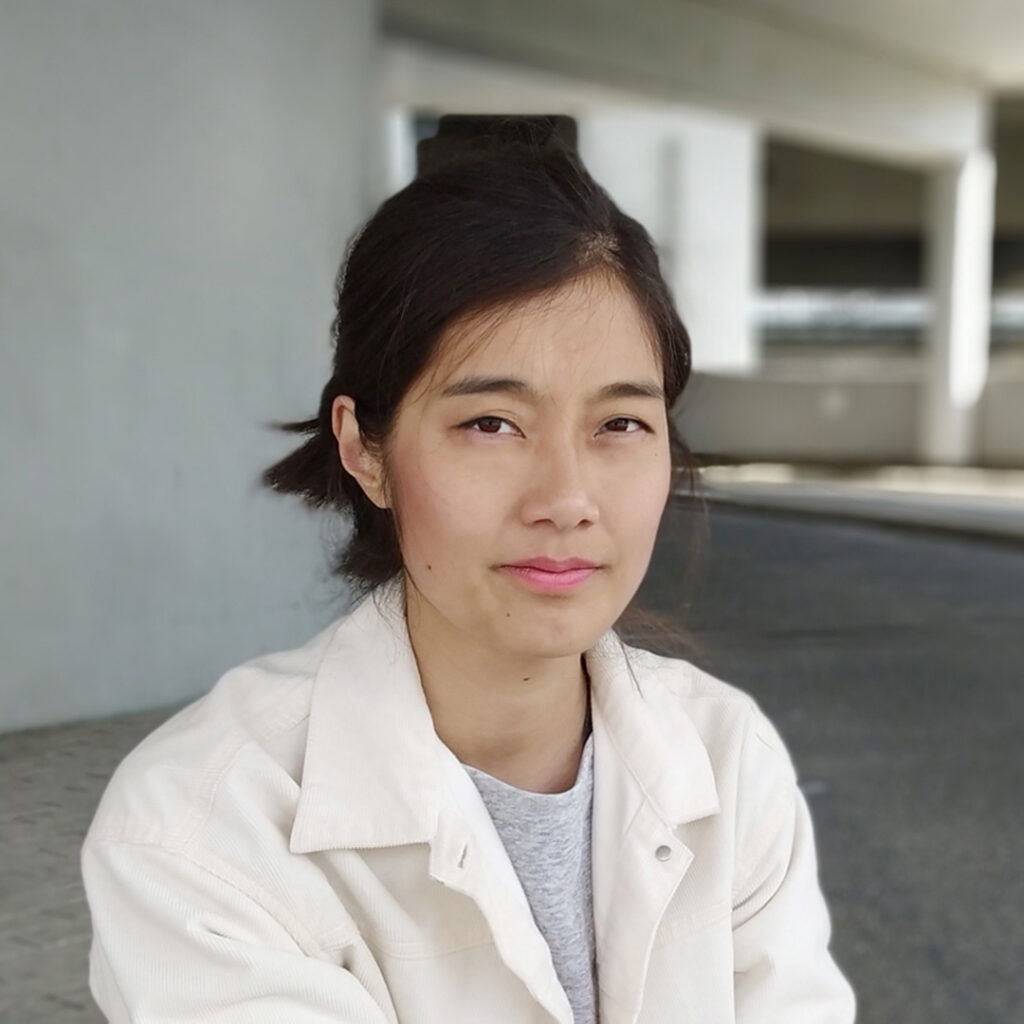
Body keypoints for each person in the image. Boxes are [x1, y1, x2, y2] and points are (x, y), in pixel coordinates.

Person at [81, 132, 857, 1024]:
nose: (566, 499)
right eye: (491, 423)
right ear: (363, 449)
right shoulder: (200, 830)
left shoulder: (728, 764)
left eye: (620, 425)